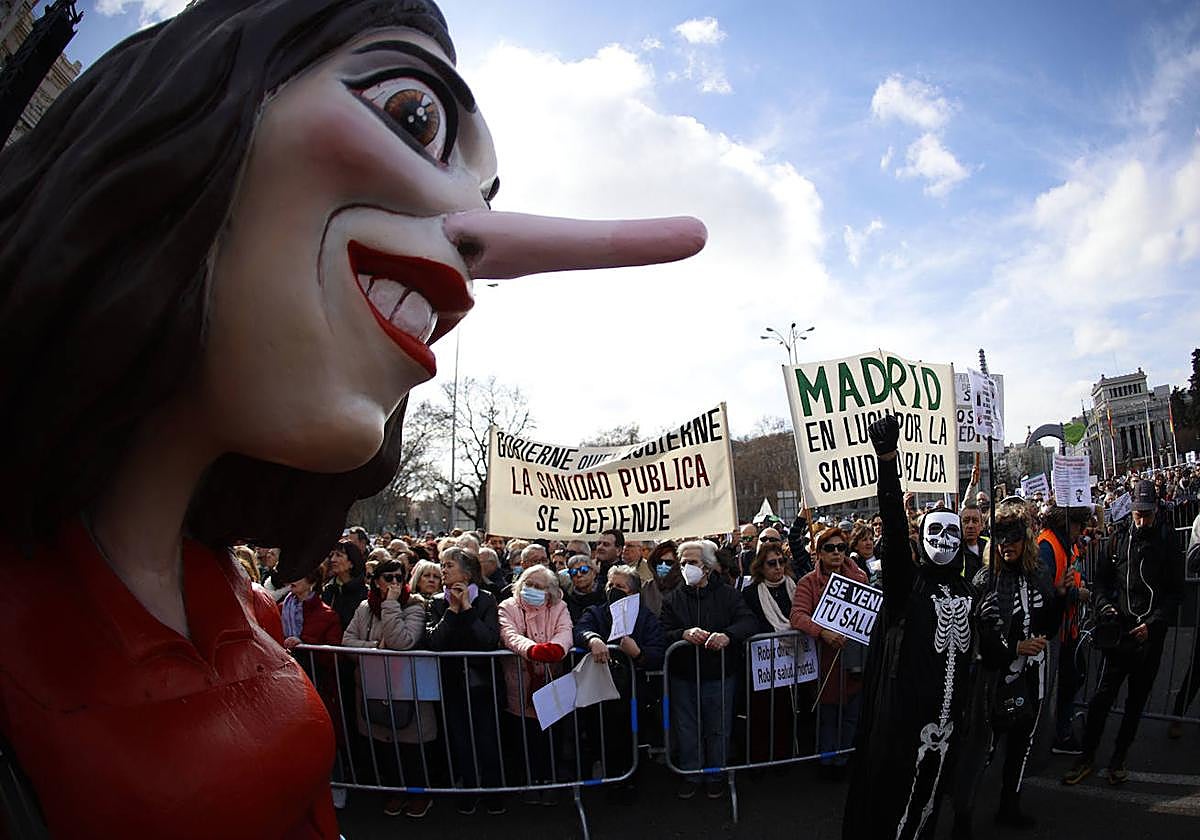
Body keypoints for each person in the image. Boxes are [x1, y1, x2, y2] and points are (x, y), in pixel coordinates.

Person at [844, 415, 984, 840]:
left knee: (929, 803)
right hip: (905, 722)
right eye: (933, 530)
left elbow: (985, 651)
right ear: (920, 538)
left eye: (952, 532)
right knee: (895, 801)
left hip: (949, 721)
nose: (944, 538)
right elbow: (892, 530)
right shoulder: (909, 586)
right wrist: (888, 463)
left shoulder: (969, 588)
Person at [953, 501, 1062, 836]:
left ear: (1025, 541)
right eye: (1001, 540)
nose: (1006, 546)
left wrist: (1062, 596)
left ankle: (1009, 805)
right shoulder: (986, 580)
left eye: (1013, 539)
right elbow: (976, 639)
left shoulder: (1038, 573)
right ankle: (962, 818)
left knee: (1022, 744)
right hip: (995, 679)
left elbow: (1049, 622)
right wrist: (1013, 646)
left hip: (1032, 675)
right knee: (982, 749)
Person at [1064, 480, 1183, 785]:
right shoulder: (1118, 538)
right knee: (1101, 698)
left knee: (1136, 702)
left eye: (1147, 514)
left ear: (1156, 510)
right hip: (1119, 634)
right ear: (1130, 511)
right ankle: (1086, 756)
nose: (1142, 521)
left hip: (1150, 637)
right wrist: (1104, 606)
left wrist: (1154, 623)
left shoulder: (1168, 540)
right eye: (1137, 514)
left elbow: (1176, 592)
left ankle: (1118, 758)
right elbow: (1101, 582)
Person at [660, 539, 758, 800]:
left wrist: (728, 635)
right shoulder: (673, 598)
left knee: (718, 728)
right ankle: (691, 774)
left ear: (707, 566)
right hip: (684, 675)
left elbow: (748, 621)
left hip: (719, 674)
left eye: (692, 562)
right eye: (683, 563)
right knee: (687, 728)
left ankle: (716, 776)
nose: (686, 568)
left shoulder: (728, 595)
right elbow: (662, 631)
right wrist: (682, 633)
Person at [341, 560, 437, 818]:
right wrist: (374, 647)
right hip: (373, 686)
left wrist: (391, 604)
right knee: (385, 746)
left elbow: (402, 642)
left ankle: (419, 795)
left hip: (406, 687)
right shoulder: (364, 607)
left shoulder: (415, 605)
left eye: (399, 578)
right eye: (388, 578)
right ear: (376, 581)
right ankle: (395, 792)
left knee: (411, 748)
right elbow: (347, 641)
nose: (394, 583)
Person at [426, 547, 505, 815]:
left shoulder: (486, 599)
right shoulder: (437, 602)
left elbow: (488, 640)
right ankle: (470, 790)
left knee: (488, 739)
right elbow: (434, 641)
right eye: (443, 565)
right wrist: (452, 610)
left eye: (449, 565)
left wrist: (468, 609)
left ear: (467, 573)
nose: (443, 570)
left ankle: (493, 792)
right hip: (452, 683)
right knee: (460, 740)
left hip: (483, 683)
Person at [576, 564, 666, 791]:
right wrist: (593, 639)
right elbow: (581, 629)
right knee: (602, 736)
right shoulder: (596, 612)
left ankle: (630, 782)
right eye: (610, 584)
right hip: (600, 691)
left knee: (630, 738)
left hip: (633, 692)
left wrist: (638, 653)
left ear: (633, 592)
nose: (613, 589)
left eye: (620, 586)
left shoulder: (646, 618)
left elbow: (658, 652)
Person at [791, 528, 869, 774]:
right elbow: (797, 615)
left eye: (841, 547)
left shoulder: (860, 578)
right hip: (825, 661)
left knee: (851, 715)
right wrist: (822, 631)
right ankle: (827, 761)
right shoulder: (808, 582)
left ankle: (844, 759)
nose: (836, 552)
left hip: (854, 659)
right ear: (819, 553)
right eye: (830, 548)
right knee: (828, 716)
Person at [498, 564, 574, 805]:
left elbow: (565, 630)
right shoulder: (508, 606)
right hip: (519, 685)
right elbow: (508, 634)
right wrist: (532, 649)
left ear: (549, 591)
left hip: (552, 683)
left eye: (538, 586)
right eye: (528, 584)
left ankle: (551, 782)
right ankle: (528, 783)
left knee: (552, 738)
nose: (531, 589)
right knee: (524, 739)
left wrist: (557, 648)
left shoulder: (559, 607)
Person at [1036, 504, 1092, 755]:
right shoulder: (1048, 546)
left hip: (1067, 627)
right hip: (1053, 630)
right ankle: (1060, 734)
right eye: (1078, 524)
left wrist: (1078, 587)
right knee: (1064, 680)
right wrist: (1075, 594)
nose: (1081, 530)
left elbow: (1072, 575)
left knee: (1075, 674)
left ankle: (1062, 727)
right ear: (1067, 523)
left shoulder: (1065, 544)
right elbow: (1046, 589)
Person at [742, 541, 803, 763]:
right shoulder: (750, 593)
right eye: (771, 563)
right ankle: (759, 760)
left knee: (786, 712)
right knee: (761, 713)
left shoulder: (795, 587)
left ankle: (783, 758)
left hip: (793, 662)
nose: (778, 567)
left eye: (781, 561)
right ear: (760, 566)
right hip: (764, 667)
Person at [563, 553, 606, 622]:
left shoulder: (605, 593)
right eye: (574, 572)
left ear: (593, 573)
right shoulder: (568, 600)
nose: (579, 575)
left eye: (584, 570)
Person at [959, 504, 988, 582]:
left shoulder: (989, 546)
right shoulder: (955, 549)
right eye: (966, 521)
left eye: (975, 521)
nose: (970, 526)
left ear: (982, 525)